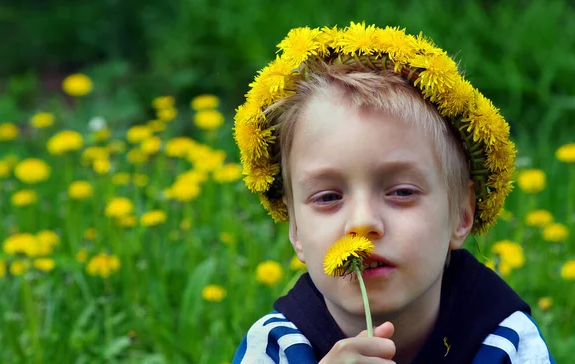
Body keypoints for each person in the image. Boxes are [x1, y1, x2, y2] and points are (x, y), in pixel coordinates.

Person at [232, 22, 554, 363]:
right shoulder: (273, 347)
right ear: (295, 230)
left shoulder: (508, 343)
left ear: (462, 214)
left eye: (401, 192)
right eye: (328, 197)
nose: (362, 223)